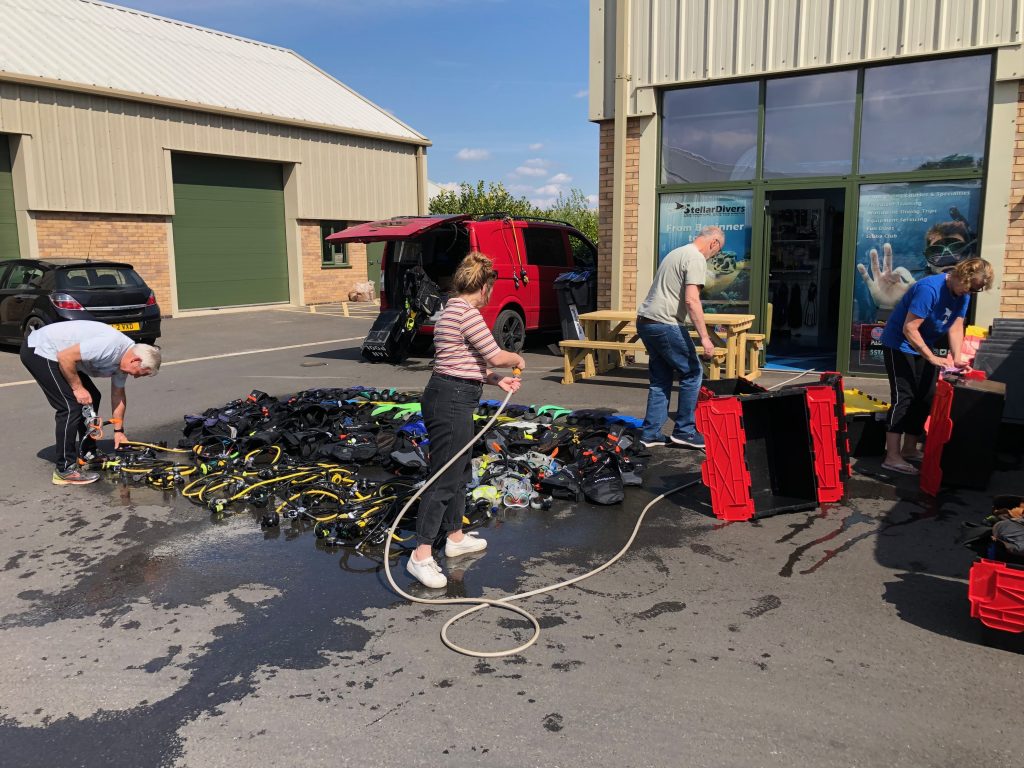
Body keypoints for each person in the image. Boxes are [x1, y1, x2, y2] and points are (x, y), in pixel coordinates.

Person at [407, 253, 525, 590]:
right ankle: (422, 554)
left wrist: (495, 379)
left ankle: (455, 537)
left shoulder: (450, 309)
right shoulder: (468, 314)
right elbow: (496, 354)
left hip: (450, 393)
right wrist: (517, 359)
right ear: (485, 286)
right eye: (491, 288)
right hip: (451, 401)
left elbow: (461, 360)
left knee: (460, 471)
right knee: (444, 476)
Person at [878, 257, 993, 475]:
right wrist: (930, 356)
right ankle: (892, 456)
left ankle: (910, 449)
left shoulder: (962, 294)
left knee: (926, 396)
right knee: (904, 396)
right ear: (961, 275)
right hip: (899, 343)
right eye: (970, 287)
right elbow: (910, 328)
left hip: (924, 345)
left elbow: (957, 326)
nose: (970, 293)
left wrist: (957, 357)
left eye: (976, 290)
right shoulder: (929, 289)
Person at [20, 320, 162, 485]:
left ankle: (88, 452)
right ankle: (65, 469)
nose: (137, 377)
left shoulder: (125, 361)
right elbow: (65, 357)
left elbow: (118, 395)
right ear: (135, 361)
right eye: (141, 373)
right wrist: (78, 388)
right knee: (69, 407)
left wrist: (119, 431)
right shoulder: (110, 345)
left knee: (93, 396)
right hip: (40, 350)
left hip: (62, 357)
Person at [635, 225, 722, 450]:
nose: (715, 255)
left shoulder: (676, 253)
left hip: (646, 322)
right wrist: (705, 337)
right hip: (665, 324)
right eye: (718, 251)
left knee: (661, 378)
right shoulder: (695, 258)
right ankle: (685, 431)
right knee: (693, 372)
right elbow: (692, 300)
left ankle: (651, 433)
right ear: (713, 242)